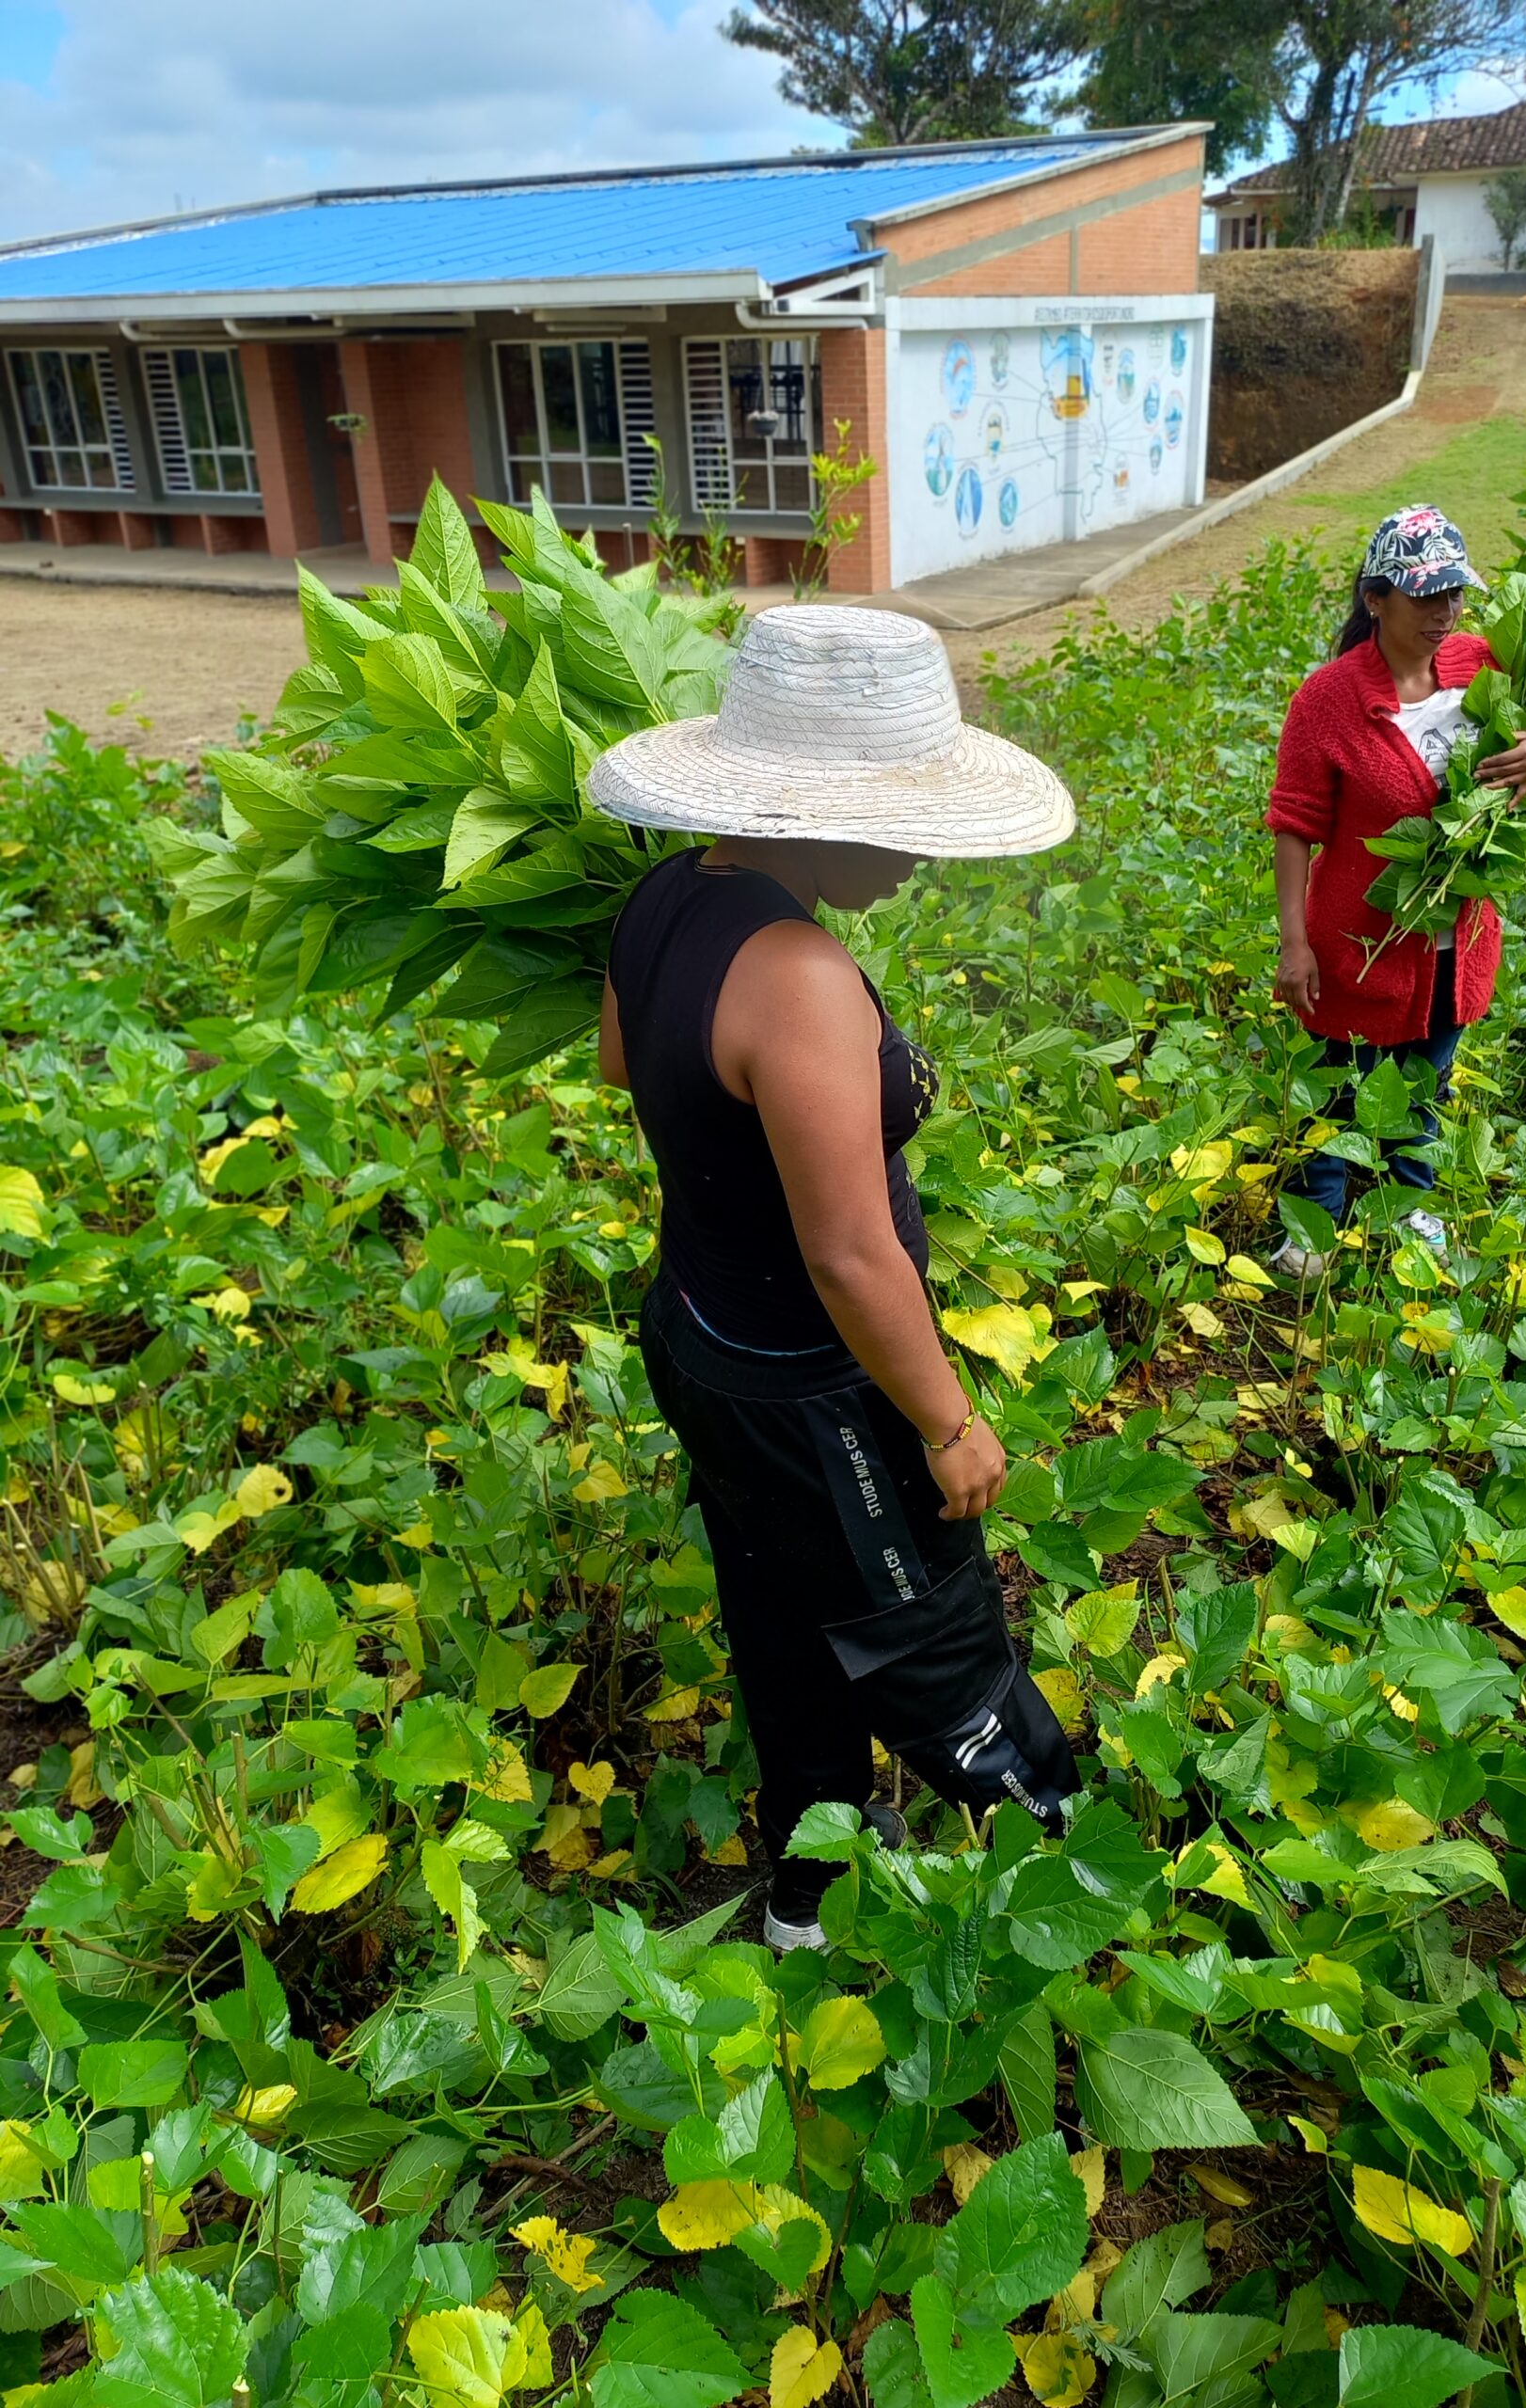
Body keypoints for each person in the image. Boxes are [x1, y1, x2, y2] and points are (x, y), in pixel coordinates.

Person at [589, 603, 1081, 1952]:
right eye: (903, 817)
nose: (920, 849)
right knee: (929, 1636)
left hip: (701, 1336)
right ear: (821, 812)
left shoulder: (662, 896)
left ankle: (807, 1890)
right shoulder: (797, 972)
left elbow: (622, 1062)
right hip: (819, 1390)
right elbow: (850, 1253)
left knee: (779, 1613)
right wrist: (949, 1421)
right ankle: (1074, 1859)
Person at [1265, 503, 1526, 1276]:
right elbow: (1294, 825)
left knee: (1426, 1082)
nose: (1446, 612)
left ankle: (1407, 1205)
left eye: (1455, 593)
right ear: (1376, 599)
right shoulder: (1328, 700)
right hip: (1357, 937)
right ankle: (1312, 1222)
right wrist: (1295, 944)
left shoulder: (1482, 667)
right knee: (1340, 1083)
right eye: (1426, 596)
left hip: (1456, 934)